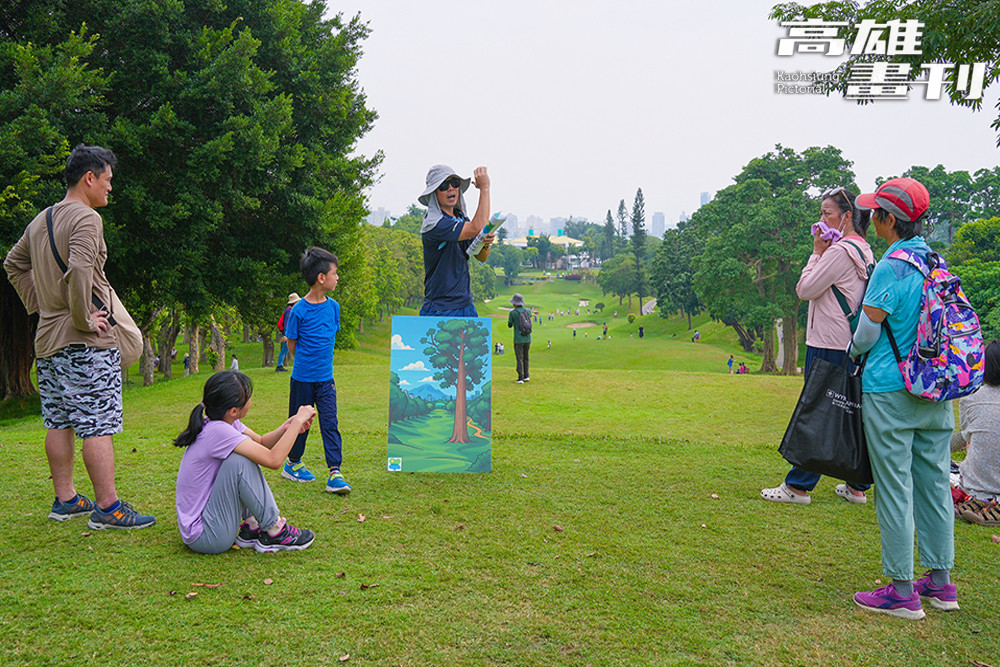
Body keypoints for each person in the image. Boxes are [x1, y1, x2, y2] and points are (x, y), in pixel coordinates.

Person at [4, 144, 155, 530]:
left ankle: (66, 499)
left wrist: (41, 306)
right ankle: (108, 508)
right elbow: (80, 269)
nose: (110, 189)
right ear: (89, 178)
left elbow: (13, 264)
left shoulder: (40, 221)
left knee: (58, 421)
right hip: (84, 342)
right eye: (107, 180)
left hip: (48, 341)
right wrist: (84, 319)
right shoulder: (87, 219)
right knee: (98, 423)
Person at [847, 177, 957, 620]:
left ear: (890, 220)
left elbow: (868, 332)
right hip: (935, 389)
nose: (871, 217)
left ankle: (901, 590)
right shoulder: (935, 260)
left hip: (891, 390)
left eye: (876, 213)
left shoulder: (891, 266)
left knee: (895, 487)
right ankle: (941, 583)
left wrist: (852, 352)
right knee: (934, 484)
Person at [761, 186, 874, 506]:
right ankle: (857, 485)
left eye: (827, 214)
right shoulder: (864, 249)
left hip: (828, 342)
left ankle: (798, 486)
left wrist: (816, 252)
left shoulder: (839, 252)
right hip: (851, 343)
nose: (821, 220)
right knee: (850, 411)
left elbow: (805, 289)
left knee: (818, 412)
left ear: (847, 216)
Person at [174, 370, 317, 554]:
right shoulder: (218, 431)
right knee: (238, 461)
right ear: (234, 411)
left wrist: (287, 428)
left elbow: (261, 442)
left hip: (209, 525)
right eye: (248, 397)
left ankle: (251, 527)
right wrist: (298, 421)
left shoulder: (223, 421)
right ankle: (275, 531)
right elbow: (273, 460)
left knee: (242, 454)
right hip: (207, 536)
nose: (251, 400)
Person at [282, 247, 351, 494]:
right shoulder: (298, 310)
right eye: (335, 273)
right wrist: (304, 363)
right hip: (302, 379)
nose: (337, 278)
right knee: (300, 424)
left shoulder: (333, 308)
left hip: (326, 380)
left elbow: (328, 337)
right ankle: (293, 464)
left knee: (330, 422)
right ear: (321, 278)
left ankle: (335, 472)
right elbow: (291, 342)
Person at [418, 164, 495, 316]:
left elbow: (481, 256)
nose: (451, 188)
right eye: (444, 185)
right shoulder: (435, 224)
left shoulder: (460, 219)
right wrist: (485, 189)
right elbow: (477, 227)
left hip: (466, 305)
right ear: (434, 193)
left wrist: (485, 243)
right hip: (442, 308)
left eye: (455, 183)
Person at [951, 339, 1000, 525]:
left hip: (973, 484)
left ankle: (979, 500)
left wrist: (938, 451)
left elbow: (965, 437)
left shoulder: (970, 398)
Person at [508, 293, 531, 383]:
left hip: (518, 338)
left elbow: (510, 324)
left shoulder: (513, 313)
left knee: (519, 358)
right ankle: (526, 375)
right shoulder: (528, 311)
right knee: (526, 357)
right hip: (528, 338)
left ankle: (520, 377)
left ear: (515, 303)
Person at [275, 292, 300, 372]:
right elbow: (287, 323)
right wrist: (286, 335)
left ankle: (280, 365)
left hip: (287, 333)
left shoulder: (289, 310)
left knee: (285, 350)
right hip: (287, 334)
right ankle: (279, 366)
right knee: (285, 350)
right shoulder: (289, 311)